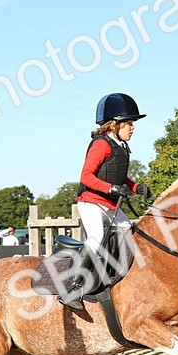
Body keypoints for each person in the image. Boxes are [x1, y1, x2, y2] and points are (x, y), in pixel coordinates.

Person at [60, 93, 152, 309]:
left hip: (110, 204)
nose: (133, 127)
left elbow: (118, 176)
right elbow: (86, 176)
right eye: (129, 123)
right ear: (114, 124)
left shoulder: (120, 146)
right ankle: (73, 288)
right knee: (97, 238)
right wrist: (111, 188)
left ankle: (116, 280)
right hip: (91, 202)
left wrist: (136, 187)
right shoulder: (101, 144)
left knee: (131, 233)